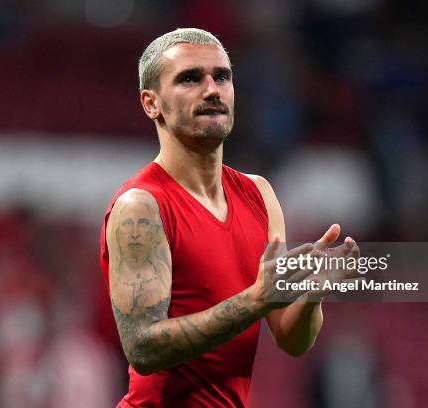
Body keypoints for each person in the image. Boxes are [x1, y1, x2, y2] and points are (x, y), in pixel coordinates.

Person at [99, 28, 360, 407]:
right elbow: (143, 346)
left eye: (222, 76)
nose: (212, 89)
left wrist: (311, 294)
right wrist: (256, 300)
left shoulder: (260, 195)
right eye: (190, 78)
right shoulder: (141, 206)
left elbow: (292, 339)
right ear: (151, 103)